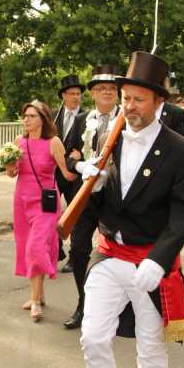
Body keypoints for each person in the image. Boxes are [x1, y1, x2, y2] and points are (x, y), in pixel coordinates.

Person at [76, 51, 184, 368]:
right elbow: (99, 204)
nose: (129, 106)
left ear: (159, 101)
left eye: (138, 99)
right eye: (125, 97)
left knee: (150, 348)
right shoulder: (107, 137)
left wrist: (160, 260)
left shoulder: (181, 150)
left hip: (150, 263)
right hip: (110, 254)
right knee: (92, 337)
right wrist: (94, 187)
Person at [62, 64, 121, 330]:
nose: (107, 92)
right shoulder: (81, 120)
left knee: (117, 251)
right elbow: (68, 155)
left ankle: (115, 306)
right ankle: (83, 305)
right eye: (101, 88)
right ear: (93, 93)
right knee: (79, 250)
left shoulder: (127, 119)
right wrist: (80, 165)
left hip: (115, 196)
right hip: (85, 194)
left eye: (112, 88)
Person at [7, 101, 77, 322]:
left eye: (31, 116)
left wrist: (79, 161)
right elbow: (12, 173)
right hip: (21, 201)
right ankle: (39, 294)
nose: (26, 120)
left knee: (35, 248)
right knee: (26, 247)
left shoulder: (53, 142)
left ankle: (35, 301)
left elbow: (67, 174)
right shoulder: (19, 141)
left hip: (45, 204)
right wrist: (10, 166)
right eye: (25, 116)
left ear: (43, 119)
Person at [53, 74, 85, 271]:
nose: (75, 97)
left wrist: (82, 153)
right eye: (71, 93)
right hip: (54, 173)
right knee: (50, 212)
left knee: (76, 216)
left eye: (78, 94)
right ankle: (56, 250)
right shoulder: (53, 116)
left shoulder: (88, 117)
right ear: (63, 96)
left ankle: (75, 257)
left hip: (75, 174)